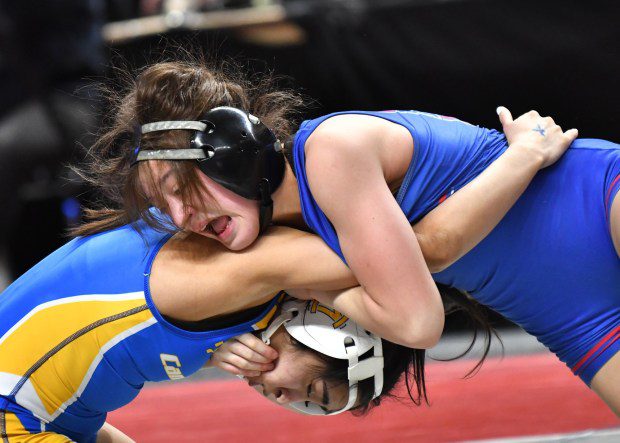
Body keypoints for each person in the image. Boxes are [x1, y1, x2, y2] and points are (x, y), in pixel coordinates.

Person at [118, 59, 619, 415]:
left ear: (231, 151)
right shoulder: (274, 251)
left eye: (178, 188)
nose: (182, 217)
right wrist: (231, 342)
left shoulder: (332, 149)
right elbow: (419, 261)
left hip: (593, 201)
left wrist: (524, 157)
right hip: (573, 321)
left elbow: (418, 314)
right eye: (165, 208)